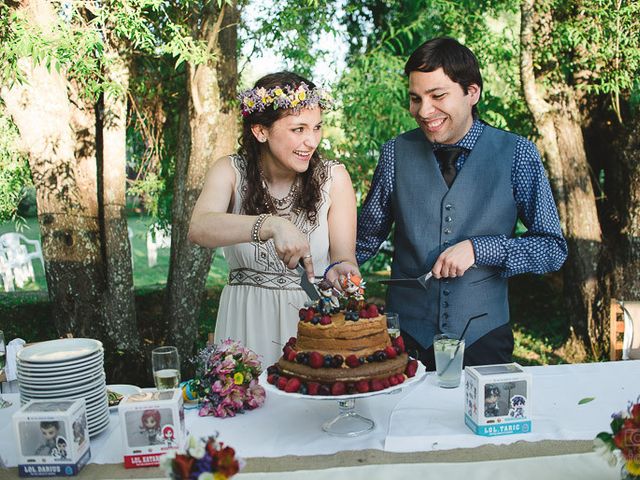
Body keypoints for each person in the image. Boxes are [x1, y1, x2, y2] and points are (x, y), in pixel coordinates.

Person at [355, 37, 567, 368]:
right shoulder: (395, 153)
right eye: (415, 99)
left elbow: (552, 248)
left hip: (484, 338)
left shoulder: (518, 154)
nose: (424, 111)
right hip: (403, 338)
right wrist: (327, 265)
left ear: (472, 93)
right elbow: (362, 239)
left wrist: (480, 250)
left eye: (438, 96)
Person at [189, 72, 360, 365]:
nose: (311, 141)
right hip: (244, 324)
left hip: (310, 324)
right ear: (260, 131)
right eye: (298, 129)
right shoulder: (229, 171)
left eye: (317, 127)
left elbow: (344, 259)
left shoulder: (335, 179)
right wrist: (270, 224)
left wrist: (343, 275)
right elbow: (199, 227)